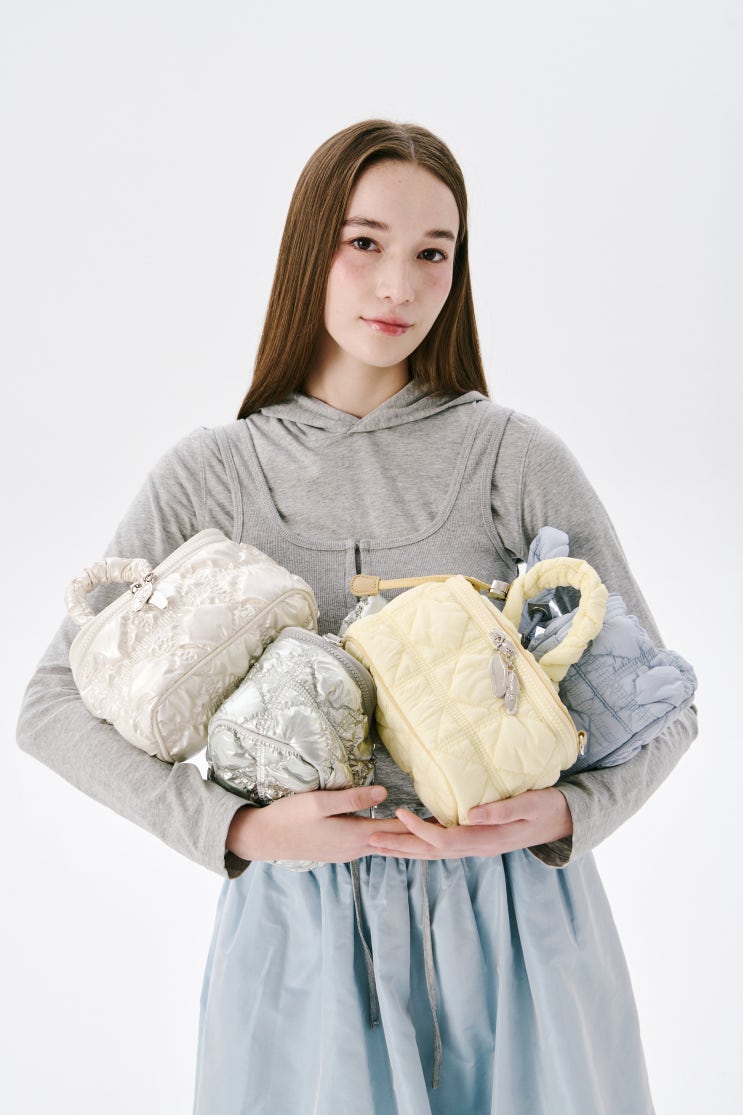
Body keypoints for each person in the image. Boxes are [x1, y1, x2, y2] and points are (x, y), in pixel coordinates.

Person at [17, 119, 697, 1115]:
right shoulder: (213, 475)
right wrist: (238, 828)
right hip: (298, 945)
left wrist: (564, 815)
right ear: (310, 248)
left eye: (432, 253)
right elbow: (50, 706)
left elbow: (663, 706)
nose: (397, 287)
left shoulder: (514, 459)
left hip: (516, 928)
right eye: (364, 242)